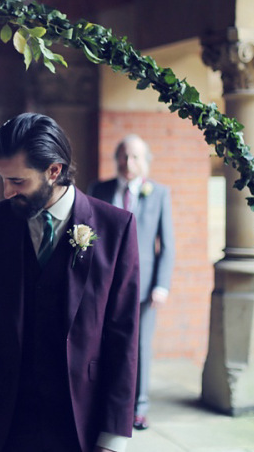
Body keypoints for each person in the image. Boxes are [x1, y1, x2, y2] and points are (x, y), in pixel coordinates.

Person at [0, 113, 141, 452]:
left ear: (54, 170)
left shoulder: (115, 228)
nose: (7, 192)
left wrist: (113, 436)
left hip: (83, 417)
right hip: (7, 415)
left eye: (18, 181)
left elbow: (123, 336)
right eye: (2, 179)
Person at [88, 134, 175, 430]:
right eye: (124, 156)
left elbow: (167, 245)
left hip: (144, 287)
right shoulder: (99, 189)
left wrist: (161, 285)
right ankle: (103, 400)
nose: (128, 162)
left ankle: (138, 407)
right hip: (105, 283)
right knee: (102, 343)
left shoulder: (160, 193)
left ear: (145, 162)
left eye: (135, 157)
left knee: (139, 347)